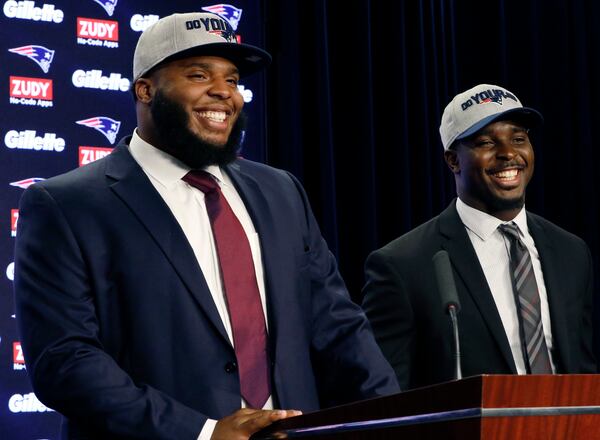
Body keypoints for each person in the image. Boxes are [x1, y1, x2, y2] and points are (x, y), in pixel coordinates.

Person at [14, 12, 399, 440]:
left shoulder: (280, 191)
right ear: (146, 89)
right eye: (199, 74)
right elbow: (64, 360)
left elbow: (338, 326)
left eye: (232, 80)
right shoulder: (67, 204)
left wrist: (399, 418)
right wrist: (202, 432)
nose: (223, 92)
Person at [362, 84, 597, 390]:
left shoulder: (571, 252)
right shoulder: (401, 265)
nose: (509, 154)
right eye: (486, 142)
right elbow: (386, 396)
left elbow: (584, 372)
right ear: (453, 160)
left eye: (518, 139)